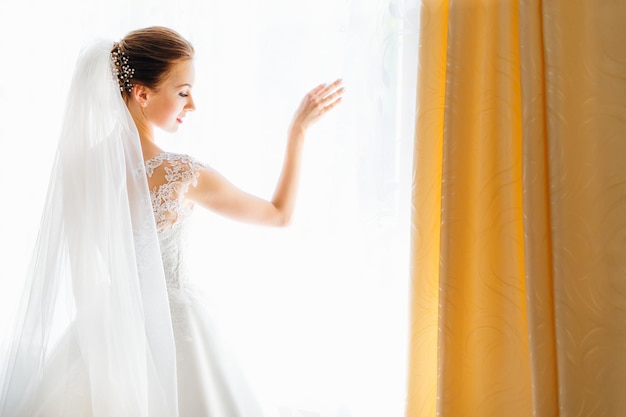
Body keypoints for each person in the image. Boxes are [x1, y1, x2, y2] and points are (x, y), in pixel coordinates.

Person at [0, 26, 343, 417]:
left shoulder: (79, 169)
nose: (192, 104)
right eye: (183, 92)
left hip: (106, 331)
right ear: (142, 94)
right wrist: (297, 132)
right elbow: (279, 215)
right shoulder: (180, 174)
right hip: (177, 327)